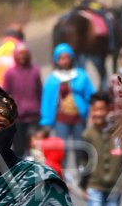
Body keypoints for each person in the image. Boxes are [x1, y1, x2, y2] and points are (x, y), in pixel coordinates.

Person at [40, 43, 95, 184]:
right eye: (61, 58)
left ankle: (82, 174)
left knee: (80, 147)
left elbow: (91, 95)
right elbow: (47, 101)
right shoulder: (52, 79)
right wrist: (46, 122)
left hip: (78, 118)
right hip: (61, 119)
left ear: (71, 58)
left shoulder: (81, 75)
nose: (64, 61)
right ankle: (61, 174)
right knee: (61, 148)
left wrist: (93, 111)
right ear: (56, 60)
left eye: (67, 57)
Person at [81, 93, 122, 206]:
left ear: (108, 110)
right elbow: (83, 162)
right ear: (91, 111)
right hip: (95, 184)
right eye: (95, 110)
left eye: (102, 109)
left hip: (115, 186)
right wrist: (83, 186)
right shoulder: (87, 135)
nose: (98, 113)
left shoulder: (117, 134)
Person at [2, 43, 42, 158]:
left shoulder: (35, 71)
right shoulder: (10, 73)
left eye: (24, 54)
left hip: (34, 116)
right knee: (18, 149)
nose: (22, 57)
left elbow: (40, 91)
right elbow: (5, 94)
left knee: (35, 148)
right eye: (20, 54)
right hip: (17, 118)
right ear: (15, 56)